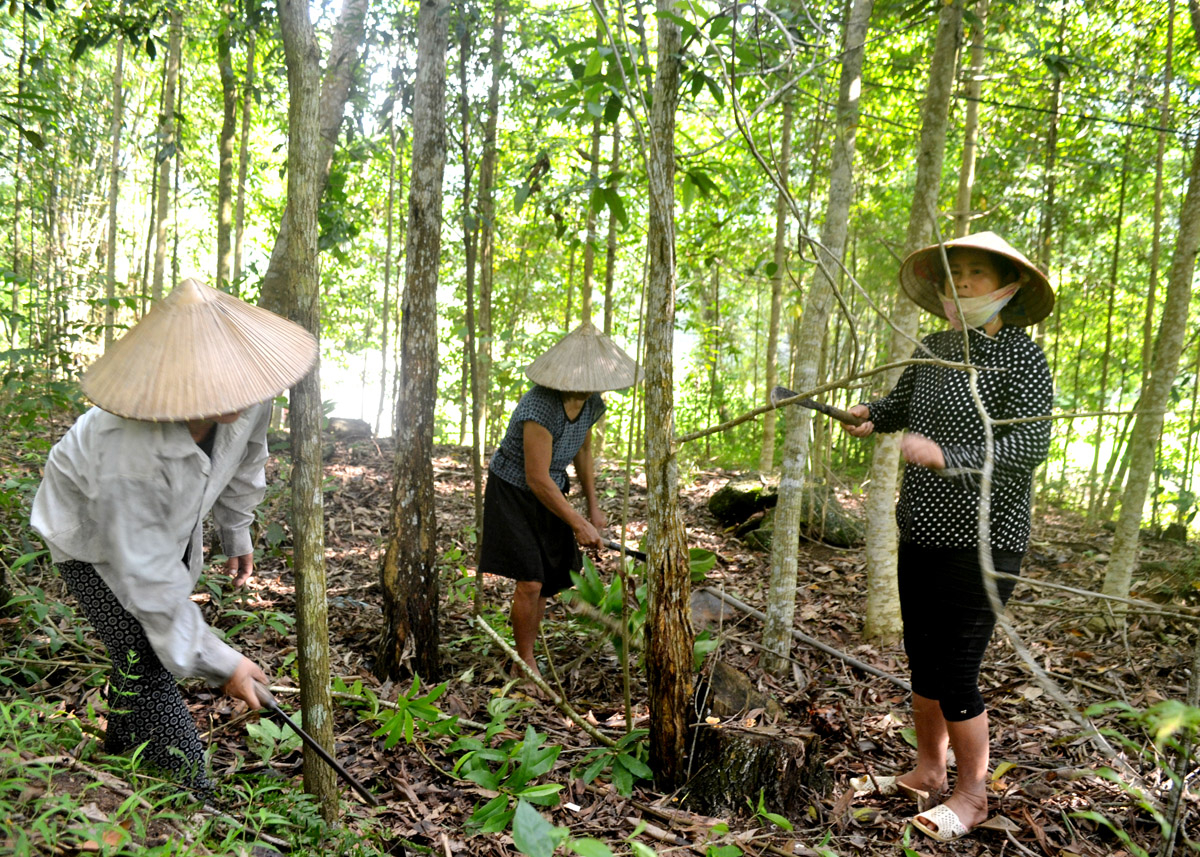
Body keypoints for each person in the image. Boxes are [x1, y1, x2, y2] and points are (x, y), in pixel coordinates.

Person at [31, 277, 318, 797]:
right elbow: (145, 579)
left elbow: (247, 460)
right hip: (88, 538)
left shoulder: (251, 394)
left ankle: (119, 750)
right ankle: (198, 803)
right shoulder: (126, 451)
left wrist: (237, 530)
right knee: (146, 655)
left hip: (166, 528)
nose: (233, 394)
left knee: (136, 651)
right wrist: (224, 664)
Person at [841, 232, 1054, 842]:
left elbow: (1030, 446)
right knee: (922, 658)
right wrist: (870, 415)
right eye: (954, 272)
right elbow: (901, 403)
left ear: (1007, 288)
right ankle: (930, 772)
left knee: (958, 668)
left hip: (986, 540)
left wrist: (948, 457)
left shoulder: (1021, 356)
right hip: (923, 531)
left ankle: (972, 795)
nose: (962, 282)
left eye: (976, 273)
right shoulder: (934, 347)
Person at [479, 322, 639, 679]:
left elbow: (582, 449)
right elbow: (535, 477)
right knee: (530, 580)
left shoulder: (592, 403)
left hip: (552, 488)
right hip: (514, 491)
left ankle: (527, 654)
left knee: (548, 583)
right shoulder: (540, 406)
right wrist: (577, 523)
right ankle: (525, 665)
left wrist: (593, 509)